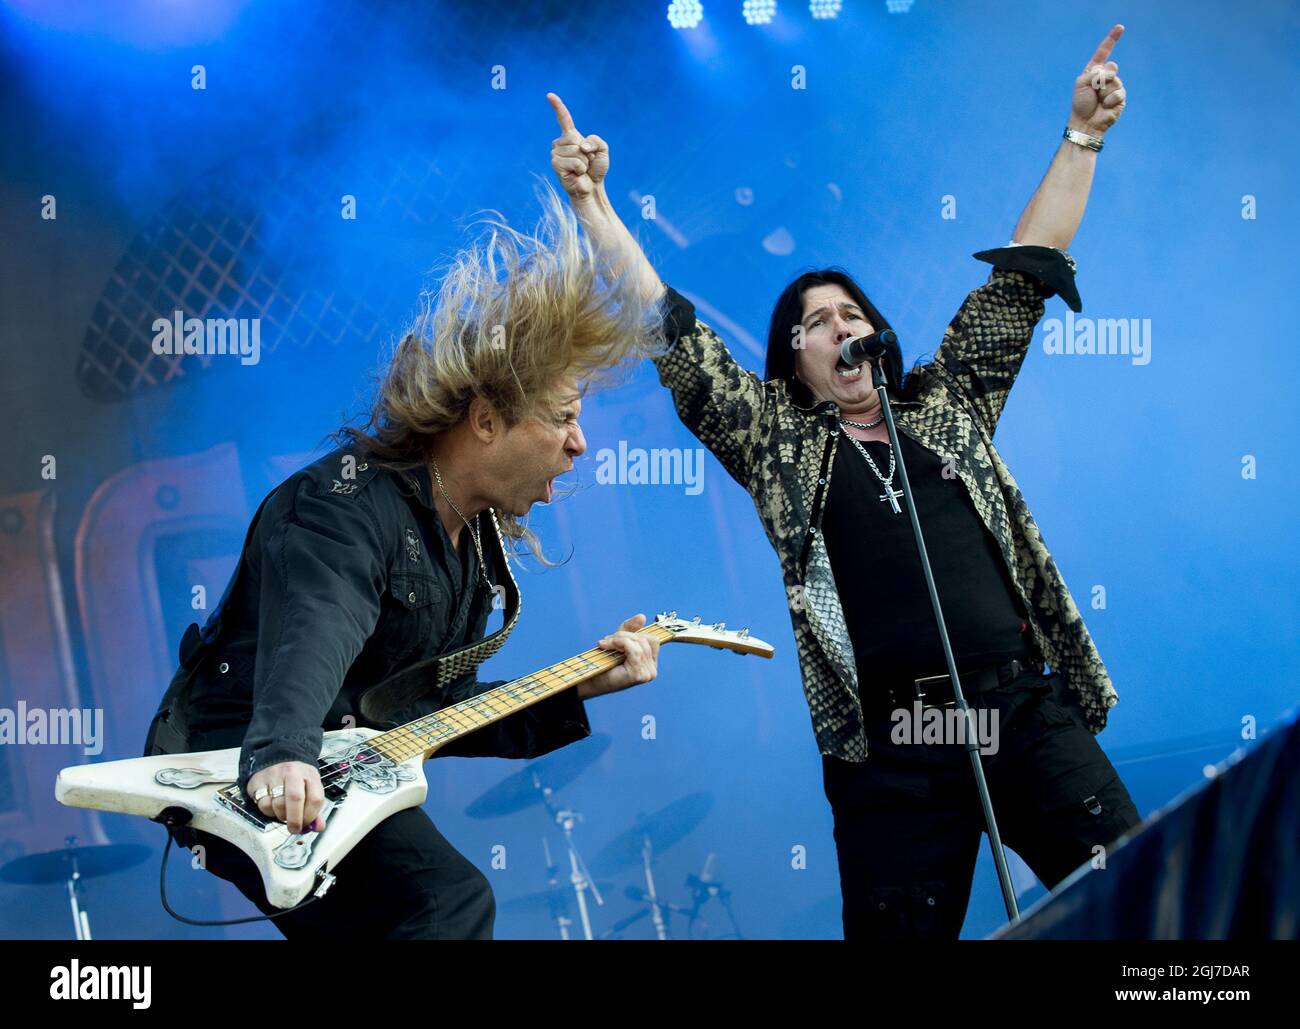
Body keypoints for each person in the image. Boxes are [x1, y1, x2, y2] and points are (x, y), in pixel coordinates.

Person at [547, 23, 1142, 940]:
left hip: (1017, 705)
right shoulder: (774, 440)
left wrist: (1082, 134)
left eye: (853, 312)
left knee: (1143, 902)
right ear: (795, 355)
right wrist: (592, 206)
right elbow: (669, 329)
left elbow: (1022, 277)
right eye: (820, 320)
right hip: (896, 739)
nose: (842, 325)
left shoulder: (947, 406)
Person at [142, 189, 665, 940]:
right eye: (564, 418)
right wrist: (283, 751)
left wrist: (582, 686)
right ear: (486, 420)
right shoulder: (343, 506)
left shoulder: (472, 546)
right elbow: (314, 632)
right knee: (443, 903)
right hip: (233, 765)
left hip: (321, 766)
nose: (580, 443)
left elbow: (423, 713)